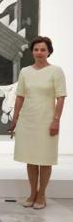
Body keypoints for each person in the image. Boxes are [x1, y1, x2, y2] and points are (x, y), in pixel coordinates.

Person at [9, 36, 66, 210]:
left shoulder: (56, 71)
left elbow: (60, 98)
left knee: (45, 158)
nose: (39, 53)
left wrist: (56, 120)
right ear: (32, 51)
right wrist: (15, 118)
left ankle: (42, 194)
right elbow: (20, 96)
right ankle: (32, 192)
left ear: (49, 51)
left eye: (43, 50)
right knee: (31, 158)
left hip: (47, 120)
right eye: (36, 49)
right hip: (28, 120)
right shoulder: (25, 71)